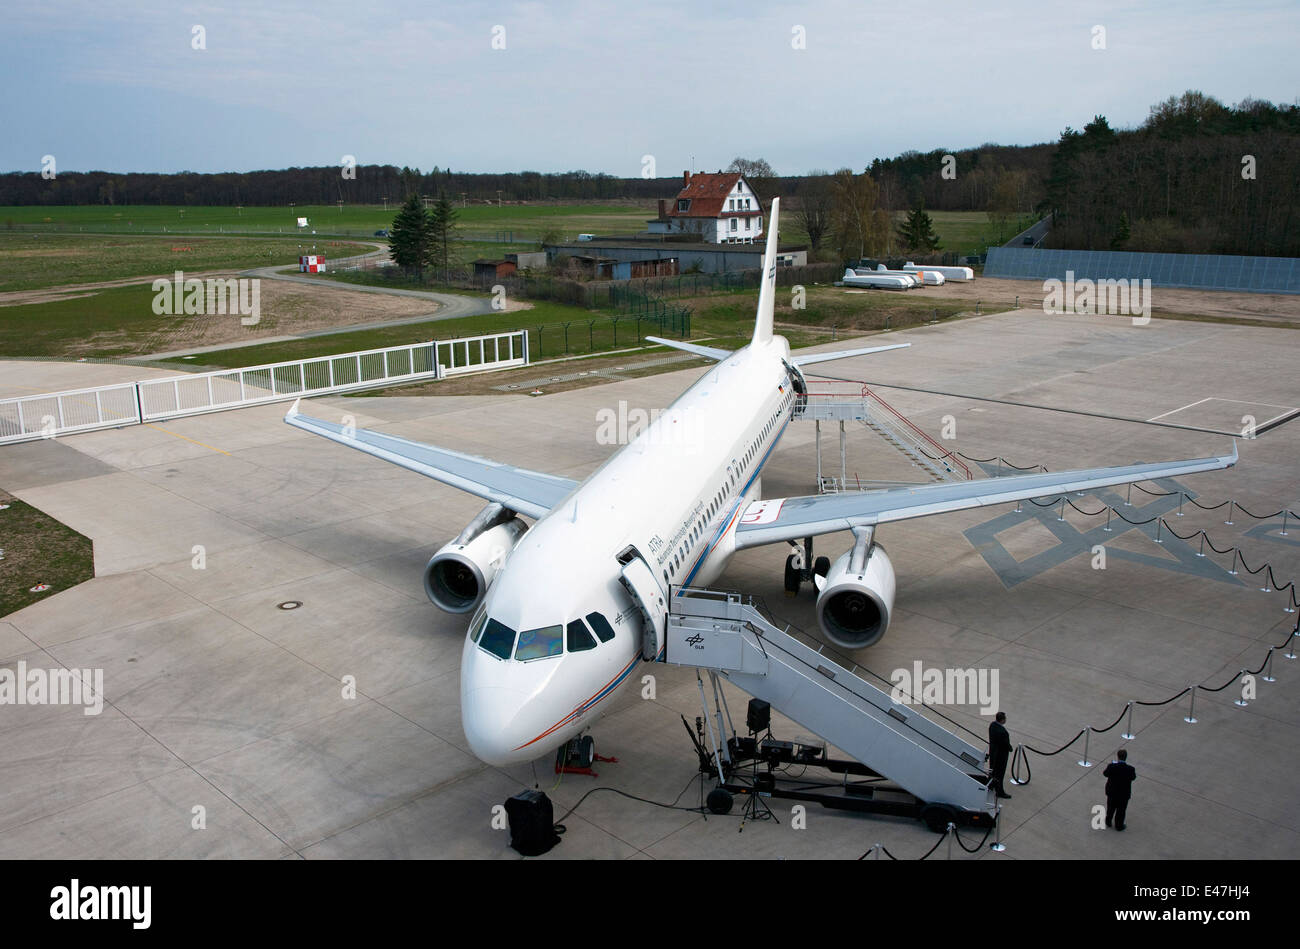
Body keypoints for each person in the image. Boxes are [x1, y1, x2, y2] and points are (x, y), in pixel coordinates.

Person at [1103, 748, 1137, 830]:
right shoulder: (1130, 769)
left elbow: (1105, 774)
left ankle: (1108, 821)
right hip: (1123, 794)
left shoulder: (1112, 767)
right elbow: (1133, 778)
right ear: (1126, 757)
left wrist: (1111, 765)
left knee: (1110, 808)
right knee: (1121, 810)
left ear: (1118, 757)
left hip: (1112, 792)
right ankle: (1119, 825)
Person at [988, 711, 1012, 799]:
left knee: (993, 770)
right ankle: (999, 791)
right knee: (1000, 774)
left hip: (993, 752)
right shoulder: (1003, 732)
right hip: (1001, 756)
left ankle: (991, 785)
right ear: (1002, 720)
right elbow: (1005, 744)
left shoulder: (992, 725)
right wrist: (1010, 748)